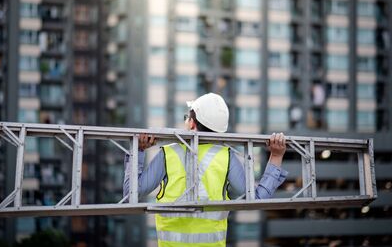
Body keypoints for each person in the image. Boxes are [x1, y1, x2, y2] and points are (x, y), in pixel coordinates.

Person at [123, 93, 287, 247]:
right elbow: (257, 199)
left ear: (192, 123)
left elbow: (131, 193)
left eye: (187, 117)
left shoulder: (169, 153)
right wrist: (276, 156)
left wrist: (139, 151)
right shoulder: (226, 156)